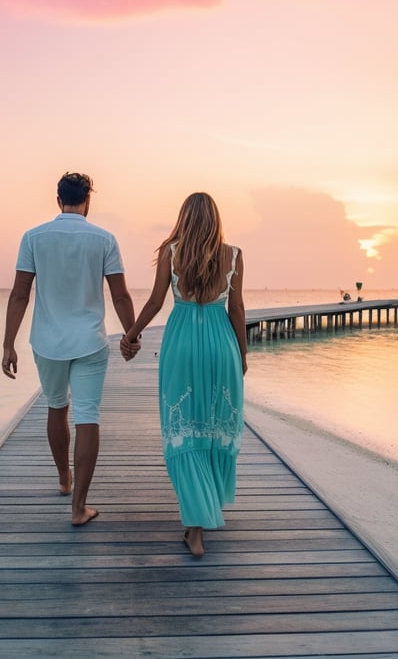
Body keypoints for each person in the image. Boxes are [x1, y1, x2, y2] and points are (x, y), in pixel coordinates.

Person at [2, 172, 136, 526]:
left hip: (47, 342)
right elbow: (119, 294)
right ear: (87, 201)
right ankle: (79, 507)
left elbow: (20, 293)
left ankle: (64, 479)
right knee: (87, 415)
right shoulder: (104, 239)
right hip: (90, 341)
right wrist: (131, 334)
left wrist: (8, 344)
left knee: (56, 406)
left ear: (58, 200)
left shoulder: (34, 237)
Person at [119, 192, 247, 557]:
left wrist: (131, 335)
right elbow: (236, 308)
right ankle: (206, 509)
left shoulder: (171, 252)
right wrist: (243, 353)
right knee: (214, 422)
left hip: (182, 344)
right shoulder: (233, 254)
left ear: (184, 219)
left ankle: (195, 528)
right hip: (221, 343)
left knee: (184, 426)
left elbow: (156, 302)